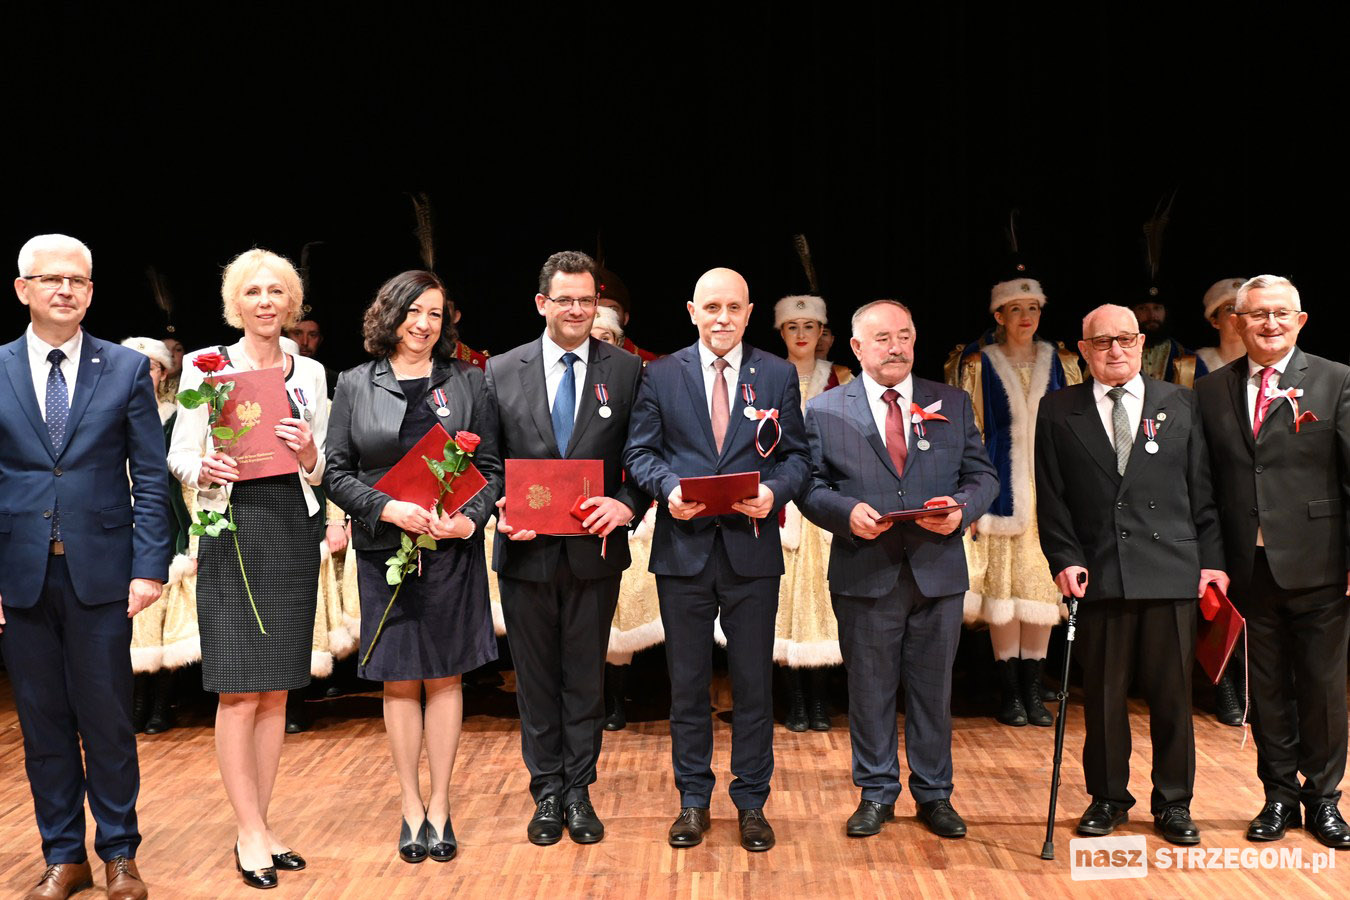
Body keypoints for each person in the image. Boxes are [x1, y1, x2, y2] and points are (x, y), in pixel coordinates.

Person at [2, 234, 170, 900]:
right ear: (24, 289)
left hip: (103, 576)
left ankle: (120, 854)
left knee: (108, 722)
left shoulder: (124, 369)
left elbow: (150, 477)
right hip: (20, 578)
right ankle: (63, 856)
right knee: (42, 724)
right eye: (51, 279)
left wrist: (149, 566)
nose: (65, 290)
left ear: (92, 291)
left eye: (77, 280)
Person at [625, 267, 810, 852]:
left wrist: (774, 492)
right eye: (711, 307)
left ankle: (751, 803)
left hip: (752, 551)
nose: (722, 318)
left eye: (733, 307)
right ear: (692, 311)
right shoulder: (660, 374)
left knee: (753, 685)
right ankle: (693, 801)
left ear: (749, 313)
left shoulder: (776, 374)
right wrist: (669, 489)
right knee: (687, 686)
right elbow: (640, 452)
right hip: (683, 550)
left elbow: (798, 458)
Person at [797, 300, 996, 841]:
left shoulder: (950, 401)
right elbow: (809, 486)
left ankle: (935, 794)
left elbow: (982, 476)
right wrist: (845, 513)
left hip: (937, 571)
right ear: (856, 347)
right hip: (866, 570)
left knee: (933, 692)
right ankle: (876, 792)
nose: (896, 347)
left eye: (904, 335)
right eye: (882, 338)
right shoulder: (824, 410)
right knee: (870, 689)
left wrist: (961, 508)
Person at [324, 269, 501, 864]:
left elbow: (492, 468)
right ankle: (410, 806)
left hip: (450, 550)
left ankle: (442, 805)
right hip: (384, 550)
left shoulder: (469, 380)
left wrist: (468, 521)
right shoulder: (355, 382)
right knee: (399, 679)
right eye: (413, 311)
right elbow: (337, 472)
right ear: (390, 314)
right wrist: (387, 508)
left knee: (446, 676)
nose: (423, 324)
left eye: (435, 313)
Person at [1036, 303, 1227, 845]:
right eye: (1102, 342)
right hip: (1100, 573)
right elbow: (1052, 497)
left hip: (1172, 571)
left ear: (1141, 343)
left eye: (1125, 339)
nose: (1115, 350)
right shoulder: (1058, 409)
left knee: (1172, 697)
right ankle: (1107, 798)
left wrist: (1212, 562)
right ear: (1083, 351)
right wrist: (1064, 558)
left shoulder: (1180, 403)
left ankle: (1174, 803)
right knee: (1102, 698)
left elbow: (1203, 493)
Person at [167, 248, 328, 888]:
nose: (265, 301)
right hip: (231, 526)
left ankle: (259, 822)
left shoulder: (310, 372)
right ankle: (250, 830)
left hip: (291, 525)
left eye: (276, 291)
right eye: (253, 292)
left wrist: (310, 451)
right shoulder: (206, 367)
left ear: (291, 303)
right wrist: (203, 468)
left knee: (277, 688)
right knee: (238, 688)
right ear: (235, 303)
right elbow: (180, 455)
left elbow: (323, 464)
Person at [485, 250, 647, 846]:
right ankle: (546, 792)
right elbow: (487, 463)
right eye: (565, 299)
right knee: (534, 680)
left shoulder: (626, 371)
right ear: (542, 303)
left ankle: (579, 791)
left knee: (584, 678)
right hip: (525, 552)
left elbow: (642, 458)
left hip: (594, 552)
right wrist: (499, 506)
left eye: (587, 299)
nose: (577, 309)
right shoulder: (501, 370)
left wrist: (626, 504)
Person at [1195, 275, 1350, 850]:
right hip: (1247, 567)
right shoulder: (1210, 390)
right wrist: (1212, 561)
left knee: (1323, 688)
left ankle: (1324, 799)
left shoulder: (1335, 380)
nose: (1270, 324)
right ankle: (1279, 795)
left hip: (1320, 562)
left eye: (1281, 313)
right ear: (1237, 322)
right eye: (1258, 314)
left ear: (1300, 320)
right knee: (1266, 689)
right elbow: (1204, 487)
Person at [950, 272, 1081, 728]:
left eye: (1033, 309)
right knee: (1004, 593)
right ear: (999, 316)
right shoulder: (979, 364)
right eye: (1016, 310)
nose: (1026, 317)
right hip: (1001, 487)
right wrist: (969, 494)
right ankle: (1010, 692)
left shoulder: (1061, 361)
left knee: (1042, 589)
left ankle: (1034, 687)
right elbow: (969, 431)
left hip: (1050, 488)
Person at [773, 294, 854, 731]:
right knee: (784, 604)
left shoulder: (841, 378)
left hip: (824, 505)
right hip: (781, 506)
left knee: (823, 605)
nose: (801, 335)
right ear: (781, 332)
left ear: (822, 332)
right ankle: (795, 701)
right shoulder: (769, 375)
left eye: (809, 327)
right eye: (793, 327)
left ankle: (821, 700)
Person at [589, 305, 661, 730]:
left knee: (624, 612)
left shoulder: (636, 383)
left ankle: (616, 696)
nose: (599, 343)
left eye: (607, 337)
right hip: (582, 511)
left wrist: (636, 502)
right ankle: (591, 698)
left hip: (630, 507)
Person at [122, 337, 194, 736]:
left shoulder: (174, 417)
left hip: (164, 523)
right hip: (120, 523)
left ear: (164, 373)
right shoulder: (108, 411)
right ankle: (134, 703)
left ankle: (161, 705)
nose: (141, 372)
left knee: (165, 617)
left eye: (150, 366)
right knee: (132, 622)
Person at [1193, 276, 1250, 727]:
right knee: (1214, 592)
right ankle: (1222, 682)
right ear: (1215, 319)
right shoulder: (1193, 367)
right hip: (1210, 491)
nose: (1237, 317)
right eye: (1229, 309)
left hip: (1254, 500)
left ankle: (1248, 681)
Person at [1133, 290, 1207, 387]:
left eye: (1157, 308)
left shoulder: (1189, 361)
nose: (1151, 315)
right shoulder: (1119, 357)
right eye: (1143, 308)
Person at [596, 265, 661, 363]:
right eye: (598, 309)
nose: (605, 315)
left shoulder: (646, 361)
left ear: (625, 318)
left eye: (612, 309)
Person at [1195, 278, 1247, 374]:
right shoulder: (1197, 366)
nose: (1238, 314)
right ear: (1215, 322)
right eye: (1229, 308)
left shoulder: (1269, 364)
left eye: (1245, 307)